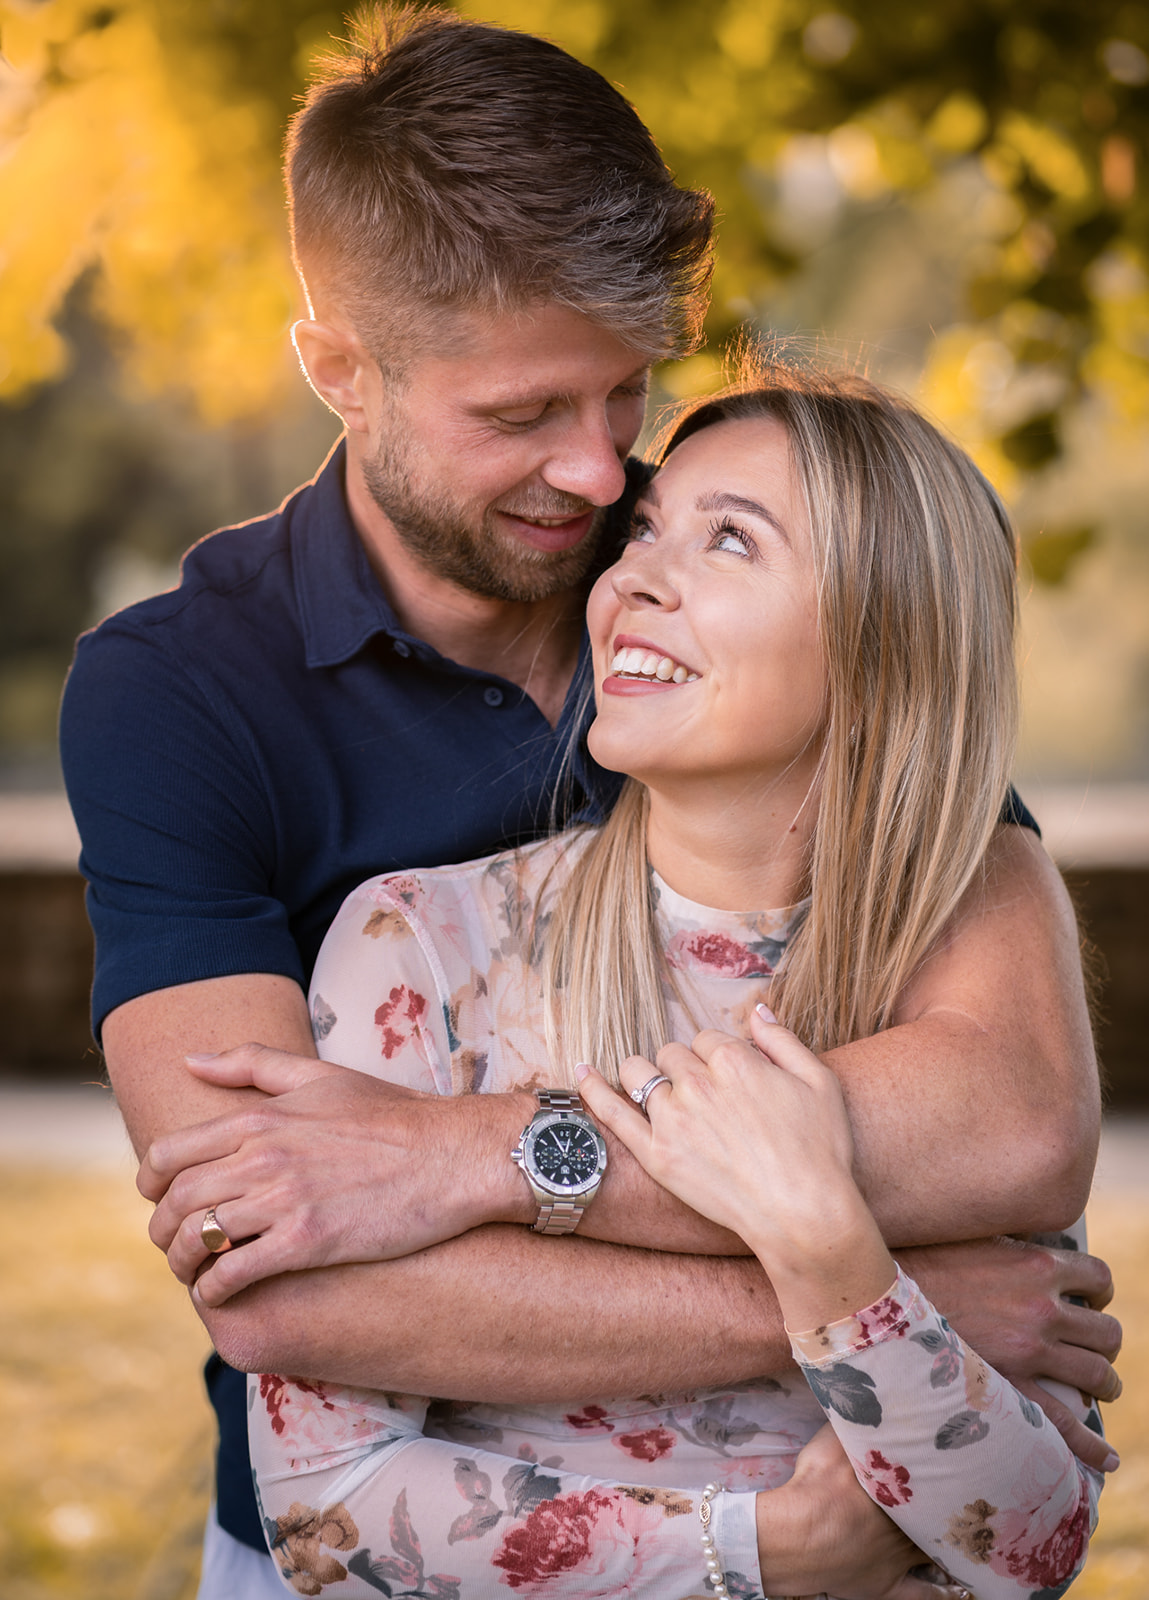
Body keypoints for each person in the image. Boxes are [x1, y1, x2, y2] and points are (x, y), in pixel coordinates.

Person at [60, 9, 1118, 1598]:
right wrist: (871, 1304)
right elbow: (278, 1281)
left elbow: (1013, 1118)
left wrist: (469, 1162)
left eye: (624, 392)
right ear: (336, 366)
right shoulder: (180, 694)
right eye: (518, 416)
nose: (597, 476)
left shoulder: (716, 595)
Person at [212, 368, 1108, 1599]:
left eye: (731, 539)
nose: (631, 578)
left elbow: (1032, 1553)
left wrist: (833, 1257)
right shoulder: (422, 948)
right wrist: (754, 1551)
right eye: (645, 530)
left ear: (881, 637)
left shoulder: (955, 999)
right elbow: (330, 1507)